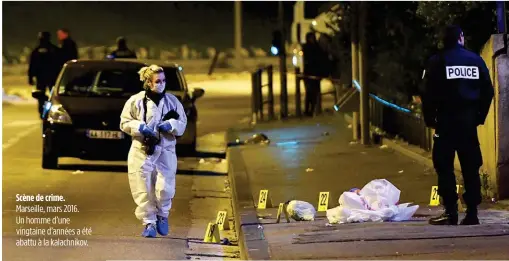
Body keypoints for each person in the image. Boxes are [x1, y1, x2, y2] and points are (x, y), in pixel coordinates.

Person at [422, 25, 494, 226]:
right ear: (461, 37)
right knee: (471, 167)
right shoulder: (475, 60)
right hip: (468, 123)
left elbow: (427, 95)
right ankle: (472, 213)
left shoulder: (437, 62)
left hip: (445, 123)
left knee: (444, 167)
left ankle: (451, 212)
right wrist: (479, 116)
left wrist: (430, 119)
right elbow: (488, 91)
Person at [120, 64, 187, 237]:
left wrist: (171, 125)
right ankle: (149, 222)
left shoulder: (172, 101)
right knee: (143, 187)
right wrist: (140, 127)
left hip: (166, 150)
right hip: (142, 150)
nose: (161, 84)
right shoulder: (135, 101)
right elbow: (124, 122)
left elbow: (182, 124)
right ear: (148, 82)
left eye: (163, 80)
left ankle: (162, 215)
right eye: (158, 81)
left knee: (165, 187)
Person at [28, 31, 60, 118]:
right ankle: (52, 111)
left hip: (41, 77)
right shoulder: (54, 49)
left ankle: (42, 111)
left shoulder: (36, 51)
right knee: (53, 95)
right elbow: (58, 64)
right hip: (52, 76)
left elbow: (32, 65)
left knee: (41, 96)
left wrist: (30, 77)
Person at [302, 32, 327, 116]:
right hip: (309, 73)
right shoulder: (308, 47)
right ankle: (307, 110)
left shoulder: (316, 47)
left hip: (315, 73)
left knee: (315, 93)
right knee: (309, 93)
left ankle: (312, 110)